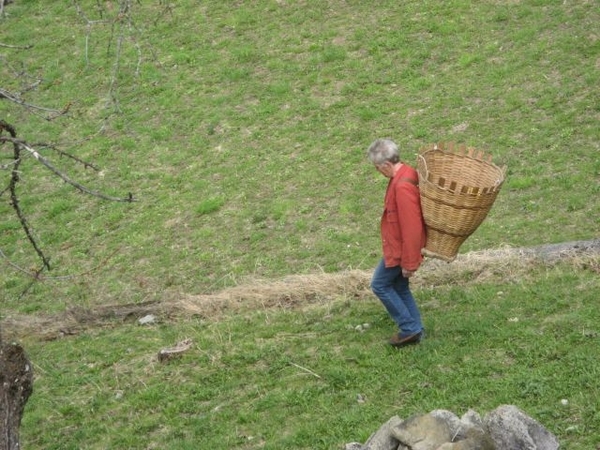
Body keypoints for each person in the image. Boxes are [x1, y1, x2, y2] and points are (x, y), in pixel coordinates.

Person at [366, 138, 427, 348]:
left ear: (386, 165)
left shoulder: (402, 186)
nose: (378, 172)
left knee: (380, 284)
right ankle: (416, 329)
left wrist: (410, 262)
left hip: (400, 250)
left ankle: (409, 328)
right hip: (398, 247)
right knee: (399, 287)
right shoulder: (405, 174)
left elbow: (412, 228)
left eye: (377, 168)